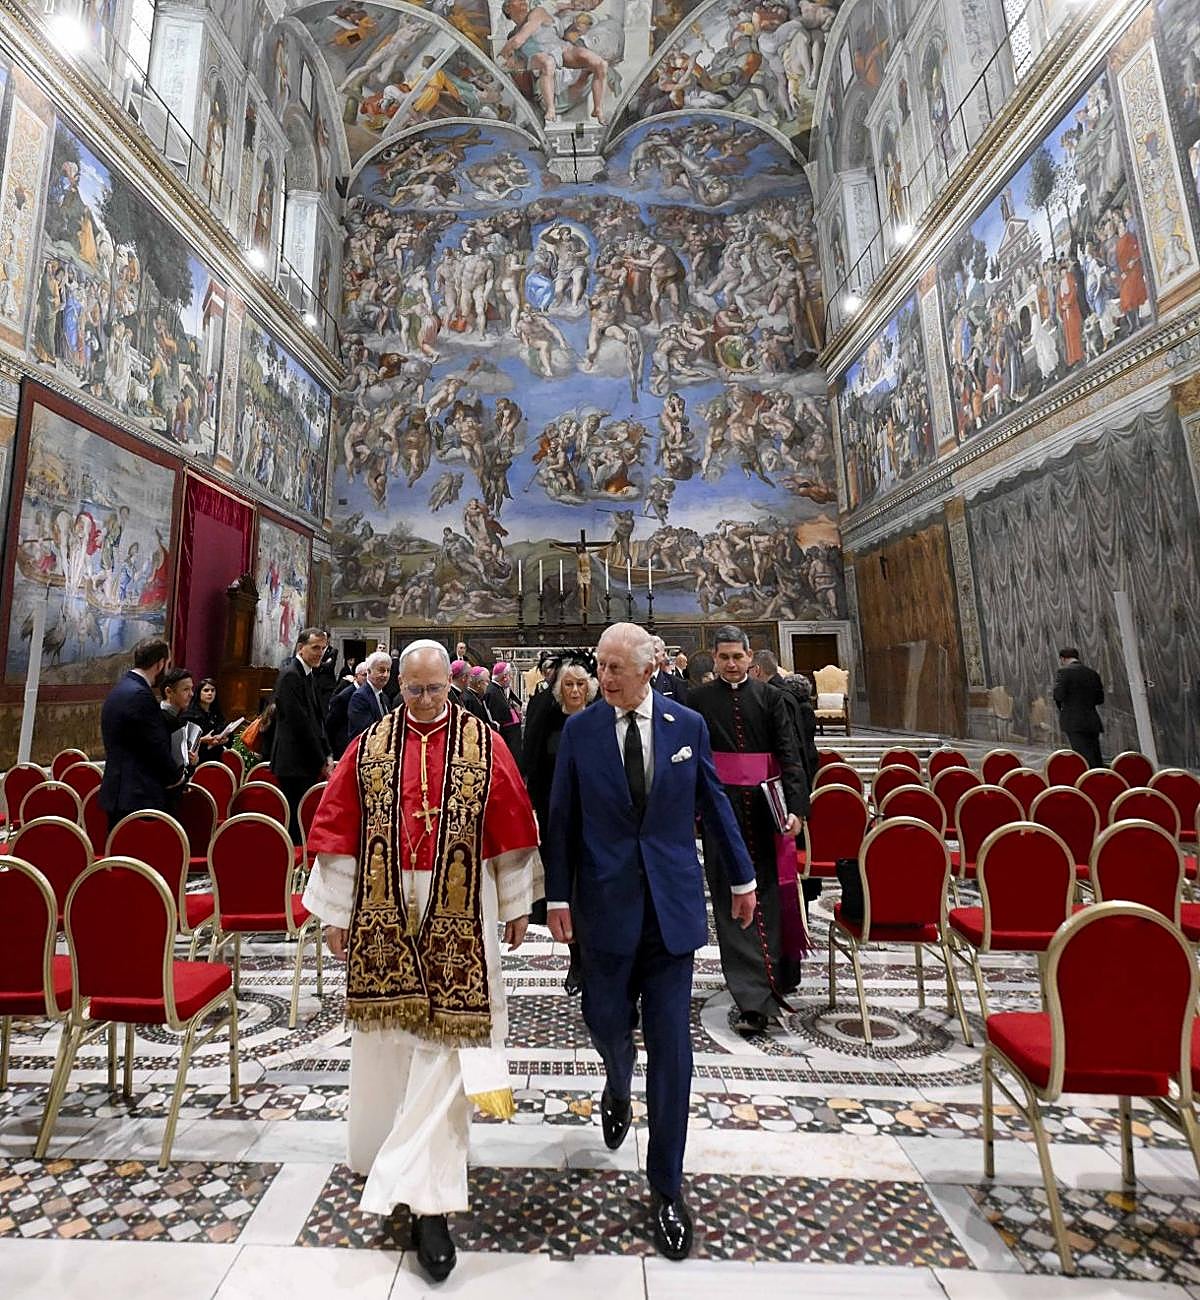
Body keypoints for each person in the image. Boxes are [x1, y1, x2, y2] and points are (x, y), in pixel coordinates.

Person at [301, 640, 541, 1282]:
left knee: (450, 1048)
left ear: (451, 687)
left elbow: (511, 831)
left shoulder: (485, 746)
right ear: (398, 686)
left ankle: (427, 1201)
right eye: (414, 690)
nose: (426, 701)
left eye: (436, 690)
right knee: (388, 1044)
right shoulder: (370, 745)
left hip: (462, 908)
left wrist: (517, 904)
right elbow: (339, 831)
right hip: (385, 905)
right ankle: (385, 1152)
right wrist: (336, 913)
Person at [544, 623, 756, 1260]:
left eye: (614, 668)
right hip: (603, 909)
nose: (603, 679)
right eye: (599, 667)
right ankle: (614, 1078)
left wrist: (742, 874)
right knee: (605, 1020)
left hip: (671, 911)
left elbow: (713, 803)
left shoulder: (685, 726)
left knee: (673, 1050)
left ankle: (666, 1186)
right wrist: (556, 897)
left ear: (649, 668)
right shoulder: (579, 732)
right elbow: (560, 819)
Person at [689, 626, 810, 1033]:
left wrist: (797, 808)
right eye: (723, 658)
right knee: (730, 900)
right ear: (715, 658)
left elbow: (790, 755)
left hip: (765, 810)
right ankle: (751, 996)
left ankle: (774, 974)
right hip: (721, 811)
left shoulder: (771, 698)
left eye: (737, 657)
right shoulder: (699, 700)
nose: (731, 664)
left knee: (771, 897)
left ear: (749, 657)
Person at [523, 654, 597, 994]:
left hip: (597, 819)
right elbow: (534, 767)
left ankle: (597, 957)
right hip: (558, 819)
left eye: (581, 684)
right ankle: (577, 959)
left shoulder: (600, 719)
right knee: (565, 889)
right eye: (569, 684)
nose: (575, 690)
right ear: (559, 689)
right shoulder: (548, 719)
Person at [99, 637, 189, 827]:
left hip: (119, 789)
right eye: (168, 664)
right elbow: (154, 745)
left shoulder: (120, 688)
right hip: (138, 794)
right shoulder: (140, 695)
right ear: (160, 664)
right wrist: (176, 777)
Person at [270, 627, 334, 841]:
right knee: (296, 823)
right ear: (300, 647)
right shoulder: (291, 676)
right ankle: (294, 865)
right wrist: (321, 759)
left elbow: (317, 719)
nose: (320, 653)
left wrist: (327, 753)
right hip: (293, 763)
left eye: (323, 649)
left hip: (304, 760)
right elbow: (301, 724)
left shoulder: (307, 673)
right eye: (315, 647)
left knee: (302, 820)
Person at [1052, 646, 1105, 768]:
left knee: (1082, 757)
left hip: (1073, 720)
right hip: (1092, 720)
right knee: (1095, 755)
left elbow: (1058, 695)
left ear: (1063, 659)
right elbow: (1100, 699)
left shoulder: (1063, 672)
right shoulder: (1092, 673)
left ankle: (1087, 782)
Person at [347, 650, 392, 742]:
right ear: (368, 671)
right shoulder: (360, 697)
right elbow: (365, 731)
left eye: (388, 670)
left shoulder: (384, 697)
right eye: (381, 670)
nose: (386, 675)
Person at [327, 663, 368, 760]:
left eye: (368, 675)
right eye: (364, 675)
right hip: (343, 744)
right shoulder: (345, 696)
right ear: (356, 676)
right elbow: (331, 723)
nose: (367, 678)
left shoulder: (368, 693)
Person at [183, 677, 230, 753]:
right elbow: (185, 743)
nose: (210, 693)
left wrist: (225, 739)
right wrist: (202, 740)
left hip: (217, 755)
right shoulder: (189, 715)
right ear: (199, 693)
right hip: (199, 757)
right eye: (206, 690)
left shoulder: (217, 713)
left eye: (213, 690)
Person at [449, 658, 490, 725]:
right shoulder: (448, 695)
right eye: (470, 676)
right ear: (464, 677)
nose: (471, 680)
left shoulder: (458, 694)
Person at [650, 634, 687, 704]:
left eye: (655, 651)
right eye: (647, 650)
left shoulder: (675, 683)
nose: (651, 654)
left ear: (663, 656)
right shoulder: (634, 681)